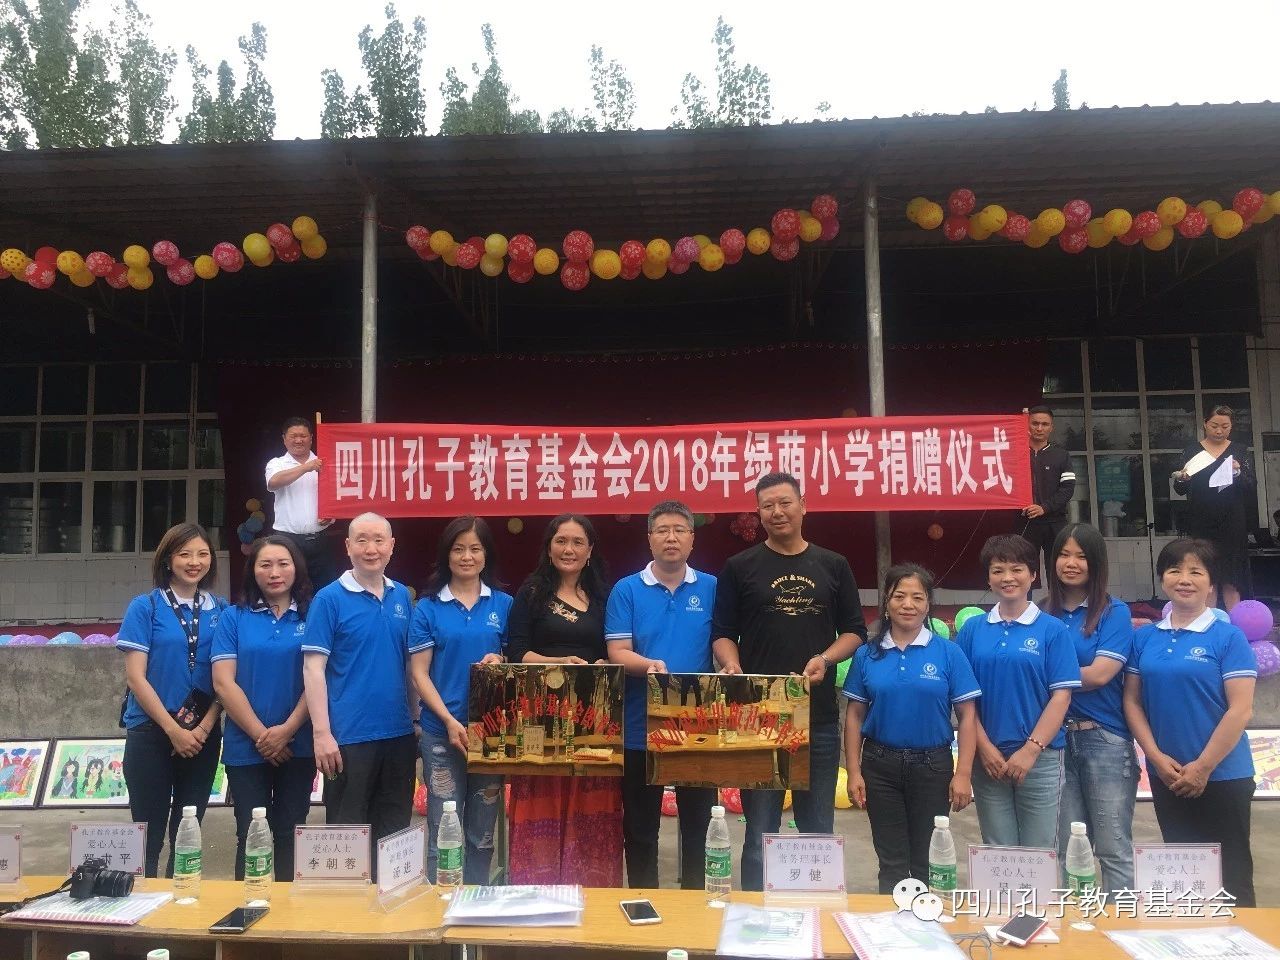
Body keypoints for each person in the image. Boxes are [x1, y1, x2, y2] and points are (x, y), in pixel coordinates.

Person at [712, 470, 867, 891]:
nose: (777, 512)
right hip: (759, 715)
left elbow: (855, 631)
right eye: (767, 506)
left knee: (817, 832)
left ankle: (814, 910)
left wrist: (824, 658)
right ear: (758, 513)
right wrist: (732, 664)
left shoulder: (833, 564)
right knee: (759, 833)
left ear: (803, 506)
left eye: (785, 503)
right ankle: (755, 917)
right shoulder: (740, 567)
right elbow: (722, 632)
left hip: (817, 717)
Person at [1124, 538, 1257, 906]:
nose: (1184, 579)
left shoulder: (1228, 637)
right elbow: (1132, 701)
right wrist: (1154, 757)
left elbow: (1240, 710)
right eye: (1174, 570)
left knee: (1231, 878)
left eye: (1196, 572)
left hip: (1224, 775)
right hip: (1168, 774)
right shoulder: (1145, 638)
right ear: (1162, 579)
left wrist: (1203, 767)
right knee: (1184, 877)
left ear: (1211, 583)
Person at [843, 563, 980, 894]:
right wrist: (854, 771)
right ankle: (889, 924)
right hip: (879, 766)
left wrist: (963, 774)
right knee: (890, 861)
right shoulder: (867, 655)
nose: (908, 604)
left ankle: (925, 922)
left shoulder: (949, 653)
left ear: (928, 603)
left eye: (917, 597)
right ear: (886, 602)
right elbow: (854, 716)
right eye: (899, 596)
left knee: (926, 860)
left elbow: (967, 716)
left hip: (933, 767)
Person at [606, 500, 718, 889]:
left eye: (679, 530)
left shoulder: (712, 587)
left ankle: (695, 903)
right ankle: (644, 902)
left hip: (698, 728)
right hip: (640, 726)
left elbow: (722, 642)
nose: (671, 537)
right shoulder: (626, 590)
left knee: (699, 826)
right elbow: (618, 652)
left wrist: (729, 664)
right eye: (663, 530)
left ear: (692, 539)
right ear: (650, 538)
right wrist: (648, 665)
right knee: (640, 829)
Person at [506, 514, 622, 887]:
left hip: (593, 720)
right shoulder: (531, 593)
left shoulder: (605, 596)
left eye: (577, 542)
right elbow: (516, 652)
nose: (568, 549)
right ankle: (534, 888)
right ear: (549, 547)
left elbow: (614, 647)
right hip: (541, 716)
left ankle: (592, 890)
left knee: (592, 800)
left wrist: (603, 663)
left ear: (590, 550)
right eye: (561, 541)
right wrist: (556, 663)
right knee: (543, 795)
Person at [302, 513, 417, 854]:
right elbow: (313, 668)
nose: (371, 549)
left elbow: (409, 665)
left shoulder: (401, 597)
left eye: (379, 540)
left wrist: (415, 719)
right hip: (347, 738)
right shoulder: (329, 599)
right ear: (348, 546)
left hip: (398, 735)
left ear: (392, 546)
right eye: (362, 540)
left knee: (394, 835)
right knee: (348, 838)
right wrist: (321, 734)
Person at [955, 534, 1079, 849]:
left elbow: (1062, 696)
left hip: (1042, 759)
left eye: (1017, 569)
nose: (1007, 578)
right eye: (998, 570)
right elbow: (964, 701)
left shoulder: (1053, 630)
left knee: (1041, 851)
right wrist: (984, 747)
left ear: (1033, 575)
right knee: (998, 851)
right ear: (988, 578)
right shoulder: (972, 630)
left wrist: (1031, 750)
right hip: (988, 760)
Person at [116, 522, 226, 877]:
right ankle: (143, 901)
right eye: (184, 554)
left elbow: (227, 680)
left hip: (202, 734)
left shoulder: (222, 611)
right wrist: (173, 730)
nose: (194, 562)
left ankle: (180, 897)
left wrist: (203, 728)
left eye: (203, 554)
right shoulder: (145, 607)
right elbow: (136, 677)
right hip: (151, 730)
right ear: (167, 559)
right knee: (147, 832)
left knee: (188, 830)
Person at [409, 516, 512, 885]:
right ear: (446, 554)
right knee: (444, 829)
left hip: (490, 735)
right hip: (441, 733)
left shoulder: (505, 604)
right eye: (458, 549)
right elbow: (419, 673)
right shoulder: (428, 608)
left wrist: (501, 658)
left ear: (486, 554)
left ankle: (477, 904)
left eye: (475, 549)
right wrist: (449, 721)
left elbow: (515, 663)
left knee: (482, 834)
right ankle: (441, 907)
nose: (467, 557)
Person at [212, 534, 316, 881]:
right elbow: (223, 683)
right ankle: (248, 906)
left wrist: (287, 731)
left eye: (283, 564)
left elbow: (319, 677)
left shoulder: (314, 615)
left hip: (299, 745)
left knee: (291, 832)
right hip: (246, 748)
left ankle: (288, 911)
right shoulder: (233, 618)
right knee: (250, 834)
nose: (275, 573)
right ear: (252, 570)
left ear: (296, 568)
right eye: (265, 564)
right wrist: (263, 736)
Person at [1043, 522, 1137, 893]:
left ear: (1096, 562)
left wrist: (1047, 676)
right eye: (1064, 554)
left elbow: (1100, 674)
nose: (1071, 563)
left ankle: (1120, 923)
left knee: (1113, 848)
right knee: (1066, 849)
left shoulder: (1114, 612)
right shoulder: (1041, 613)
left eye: (1081, 556)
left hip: (1104, 740)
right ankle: (1074, 924)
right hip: (1054, 742)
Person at [1172, 406, 1255, 609]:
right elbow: (1179, 489)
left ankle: (1233, 624)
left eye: (1225, 427)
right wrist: (1182, 479)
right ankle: (1209, 623)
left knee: (1232, 576)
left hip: (1232, 520)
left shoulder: (1239, 450)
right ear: (1205, 424)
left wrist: (1237, 473)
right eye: (1214, 426)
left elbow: (1251, 486)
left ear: (1231, 426)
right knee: (1206, 575)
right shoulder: (1192, 451)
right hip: (1201, 519)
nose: (1219, 431)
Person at [266, 417, 337, 589]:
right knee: (288, 589)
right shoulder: (277, 463)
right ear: (284, 439)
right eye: (293, 436)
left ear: (311, 438)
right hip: (287, 540)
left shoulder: (325, 463)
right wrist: (306, 467)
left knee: (322, 590)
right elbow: (273, 482)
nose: (298, 440)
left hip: (320, 540)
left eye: (303, 436)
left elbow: (336, 495)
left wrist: (331, 515)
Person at [1021, 406, 1076, 591]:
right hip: (1025, 523)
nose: (1039, 428)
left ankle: (1059, 607)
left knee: (1058, 570)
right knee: (1023, 570)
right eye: (1035, 423)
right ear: (1027, 425)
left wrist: (1044, 507)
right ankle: (1023, 607)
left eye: (1044, 424)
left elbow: (1067, 489)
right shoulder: (1016, 453)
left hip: (1055, 523)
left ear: (1051, 427)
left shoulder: (1061, 455)